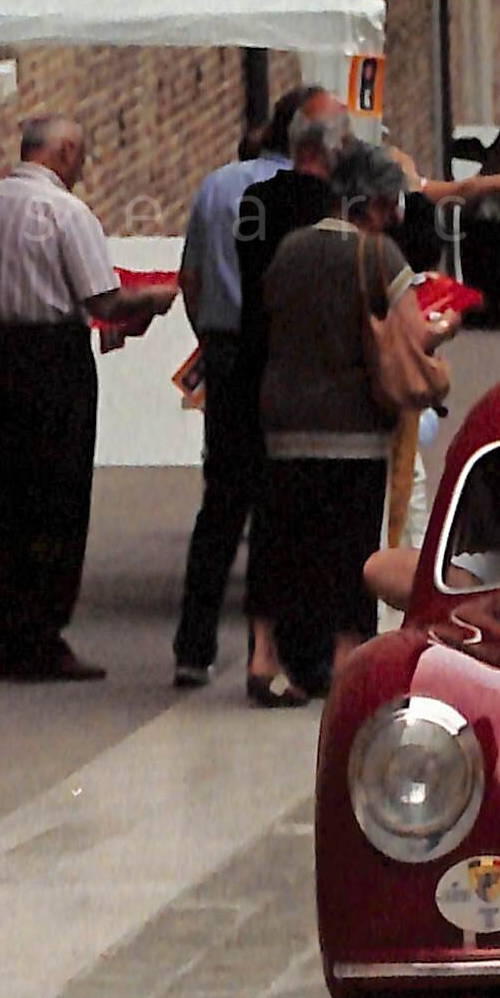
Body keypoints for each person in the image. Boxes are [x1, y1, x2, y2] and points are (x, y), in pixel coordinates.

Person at [0, 113, 162, 683]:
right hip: (51, 358)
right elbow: (103, 300)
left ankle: (1, 631)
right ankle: (41, 632)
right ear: (64, 152)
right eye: (81, 156)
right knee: (56, 493)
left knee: (2, 494)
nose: (84, 168)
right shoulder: (67, 213)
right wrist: (155, 297)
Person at [246, 133, 449, 706]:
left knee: (291, 545)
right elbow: (413, 335)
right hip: (353, 426)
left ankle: (278, 659)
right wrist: (444, 328)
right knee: (349, 551)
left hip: (284, 422)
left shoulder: (289, 250)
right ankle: (344, 661)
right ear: (374, 204)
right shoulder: (379, 256)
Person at [170, 123, 288, 690]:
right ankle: (268, 650)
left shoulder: (216, 186)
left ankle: (193, 648)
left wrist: (210, 338)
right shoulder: (304, 191)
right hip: (280, 355)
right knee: (277, 504)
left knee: (220, 504)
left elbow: (190, 279)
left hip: (225, 350)